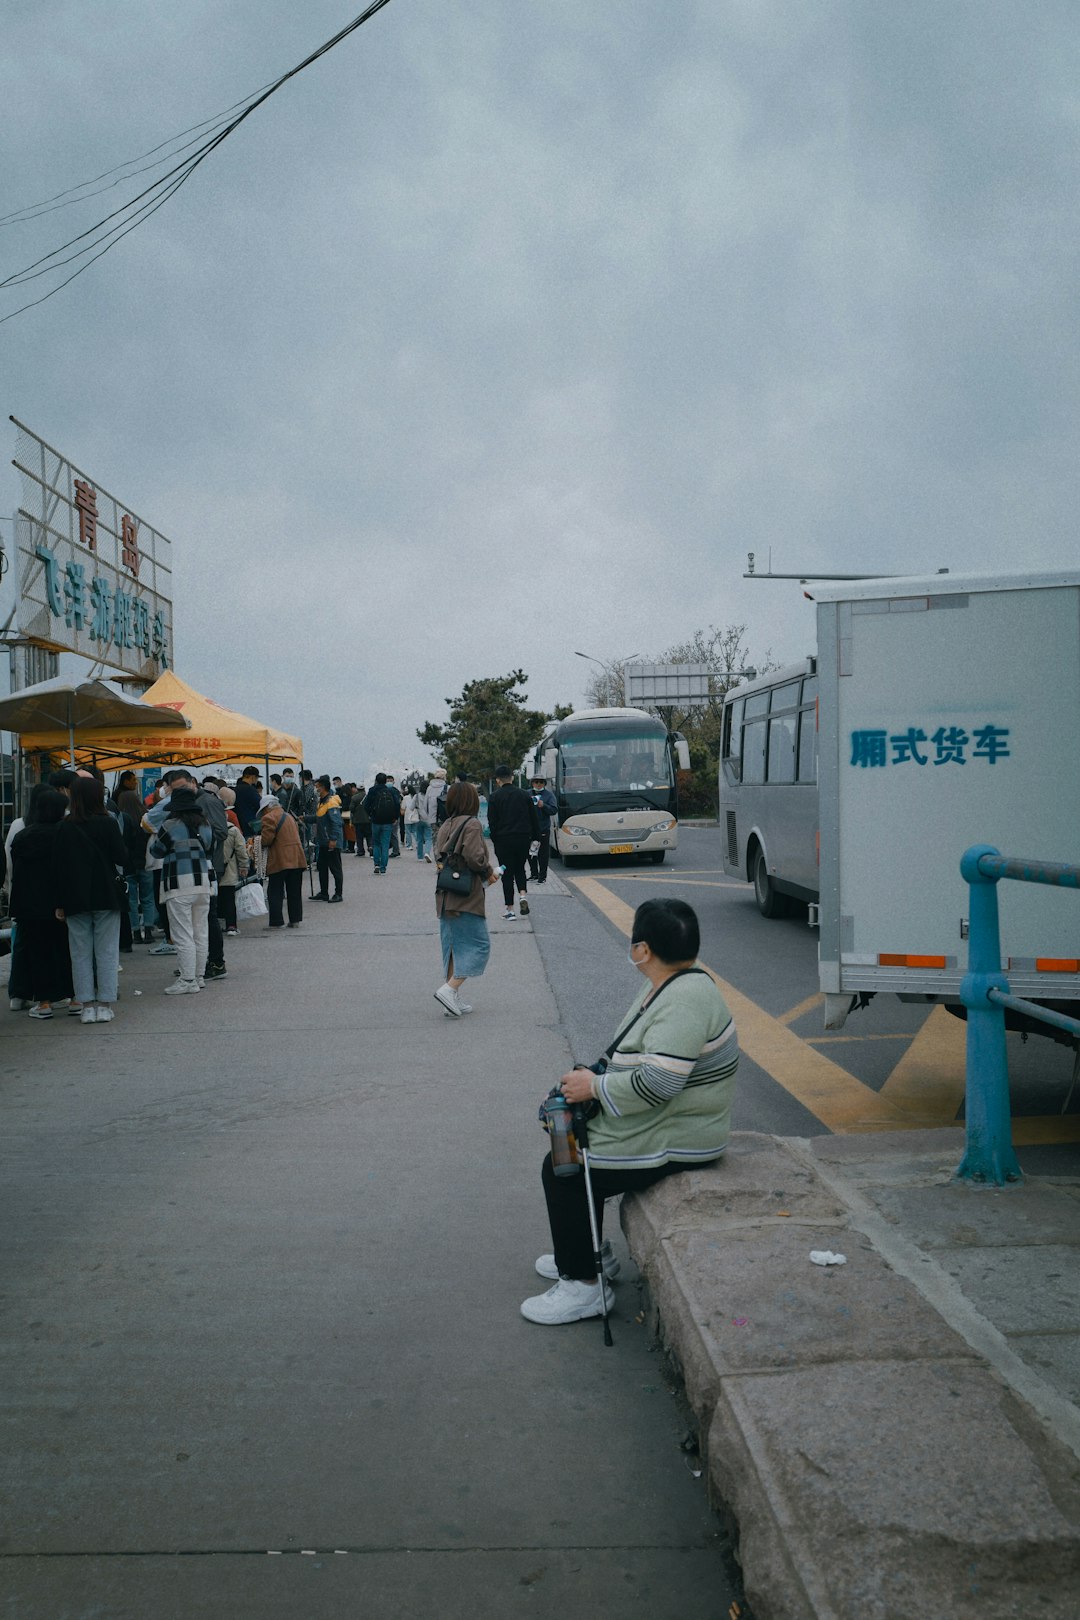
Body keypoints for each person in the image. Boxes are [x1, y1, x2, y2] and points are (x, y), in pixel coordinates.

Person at [521, 898, 740, 1325]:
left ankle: (584, 1287)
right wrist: (590, 1080)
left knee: (564, 1165)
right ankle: (588, 1253)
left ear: (643, 950)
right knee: (571, 1143)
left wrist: (595, 1087)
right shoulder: (675, 981)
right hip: (671, 1118)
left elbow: (659, 1084)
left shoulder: (683, 1000)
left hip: (683, 1134)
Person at [53, 774, 127, 1024]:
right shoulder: (107, 823)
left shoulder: (64, 826)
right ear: (98, 797)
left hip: (74, 898)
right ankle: (105, 1005)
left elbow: (59, 868)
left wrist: (60, 902)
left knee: (80, 953)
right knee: (106, 952)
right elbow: (121, 857)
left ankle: (86, 1006)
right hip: (105, 894)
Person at [433, 781, 500, 1017]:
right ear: (471, 801)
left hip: (445, 895)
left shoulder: (446, 825)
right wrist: (488, 872)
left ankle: (451, 998)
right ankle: (449, 990)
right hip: (465, 896)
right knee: (479, 945)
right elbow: (474, 857)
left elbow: (438, 856)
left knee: (453, 947)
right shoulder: (472, 824)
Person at [9, 788, 74, 1018]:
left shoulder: (22, 837)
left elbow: (17, 874)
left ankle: (44, 1003)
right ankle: (74, 998)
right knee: (68, 950)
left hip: (31, 907)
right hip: (64, 904)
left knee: (38, 954)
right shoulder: (67, 833)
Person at [148, 784, 215, 993]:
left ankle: (187, 981)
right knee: (200, 932)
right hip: (202, 883)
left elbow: (157, 851)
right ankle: (199, 977)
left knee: (182, 933)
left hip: (178, 883)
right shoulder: (205, 824)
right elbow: (211, 850)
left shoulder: (169, 825)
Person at [487, 764, 541, 920]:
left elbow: (492, 822)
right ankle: (523, 896)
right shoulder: (524, 795)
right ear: (512, 777)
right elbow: (533, 818)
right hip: (523, 839)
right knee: (520, 869)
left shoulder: (495, 797)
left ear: (498, 780)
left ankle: (510, 909)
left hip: (504, 840)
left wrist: (495, 839)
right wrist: (536, 838)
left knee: (507, 873)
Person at [260, 793, 307, 927]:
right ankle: (295, 920)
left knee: (275, 890)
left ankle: (276, 922)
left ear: (268, 807)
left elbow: (267, 840)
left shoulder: (269, 818)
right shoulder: (289, 816)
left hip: (280, 859)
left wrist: (257, 841)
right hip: (296, 858)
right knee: (294, 891)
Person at [217, 814, 251, 936]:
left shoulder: (207, 828)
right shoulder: (233, 830)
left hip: (211, 871)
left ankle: (216, 925)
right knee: (229, 899)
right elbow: (241, 849)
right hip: (228, 870)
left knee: (215, 899)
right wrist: (244, 866)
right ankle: (231, 926)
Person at [313, 775, 344, 902]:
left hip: (331, 841)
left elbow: (336, 823)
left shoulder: (331, 802)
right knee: (322, 867)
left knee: (335, 868)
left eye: (317, 787)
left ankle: (338, 894)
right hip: (323, 841)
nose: (315, 789)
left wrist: (333, 839)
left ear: (323, 788)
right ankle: (324, 892)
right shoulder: (322, 801)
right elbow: (320, 818)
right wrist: (306, 818)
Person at [364, 773, 401, 875]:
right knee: (385, 844)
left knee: (376, 843)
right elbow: (397, 804)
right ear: (385, 781)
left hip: (376, 821)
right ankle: (383, 867)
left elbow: (366, 805)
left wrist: (370, 815)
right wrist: (395, 817)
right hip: (388, 821)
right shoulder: (391, 790)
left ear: (376, 780)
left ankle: (376, 864)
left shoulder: (372, 790)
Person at [528, 775, 558, 883]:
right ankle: (534, 874)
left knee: (543, 854)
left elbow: (554, 810)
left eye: (541, 782)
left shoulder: (549, 795)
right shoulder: (528, 794)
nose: (538, 784)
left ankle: (542, 876)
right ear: (532, 783)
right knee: (531, 853)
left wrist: (543, 805)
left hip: (543, 829)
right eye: (536, 782)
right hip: (529, 829)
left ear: (544, 784)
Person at [349, 785, 372, 857]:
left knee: (359, 836)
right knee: (369, 835)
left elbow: (351, 808)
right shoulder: (369, 797)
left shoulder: (354, 797)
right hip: (368, 819)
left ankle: (360, 851)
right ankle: (371, 847)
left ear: (357, 789)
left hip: (357, 820)